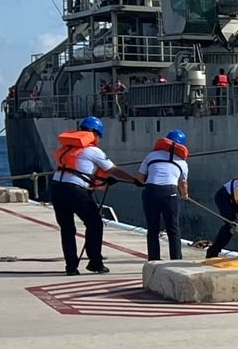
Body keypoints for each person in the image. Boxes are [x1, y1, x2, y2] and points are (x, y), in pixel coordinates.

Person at [50, 116, 138, 275]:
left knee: (67, 229)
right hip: (75, 190)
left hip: (56, 188)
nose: (98, 139)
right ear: (94, 133)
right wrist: (134, 180)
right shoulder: (93, 151)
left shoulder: (67, 148)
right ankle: (95, 263)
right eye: (98, 136)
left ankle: (71, 267)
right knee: (95, 224)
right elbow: (114, 170)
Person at [138, 128, 190, 261]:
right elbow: (182, 183)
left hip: (151, 192)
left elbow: (140, 177)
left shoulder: (151, 156)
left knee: (153, 229)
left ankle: (154, 259)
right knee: (173, 229)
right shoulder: (182, 162)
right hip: (170, 193)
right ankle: (176, 260)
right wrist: (184, 195)